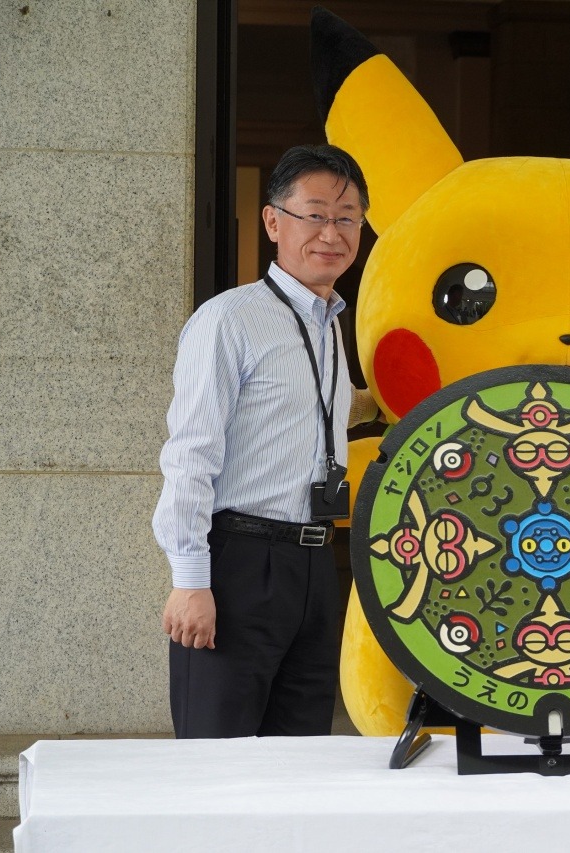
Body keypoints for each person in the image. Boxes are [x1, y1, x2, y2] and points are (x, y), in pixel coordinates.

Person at [154, 144, 368, 738]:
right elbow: (190, 452)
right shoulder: (230, 319)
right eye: (316, 213)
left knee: (300, 765)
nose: (333, 232)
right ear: (274, 221)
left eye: (348, 217)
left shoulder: (330, 324)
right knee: (217, 763)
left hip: (316, 564)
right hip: (241, 564)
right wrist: (191, 579)